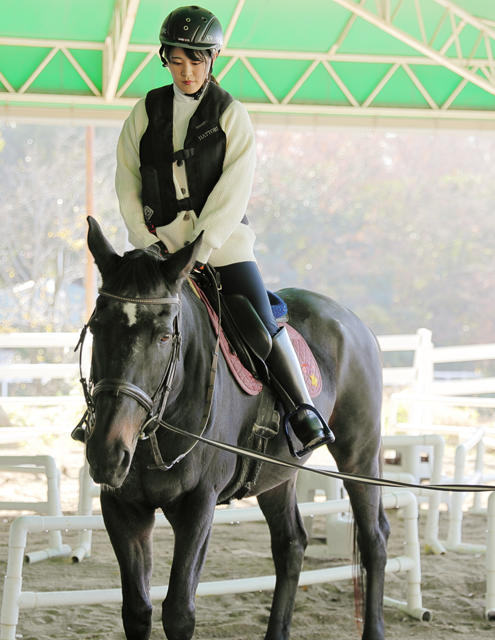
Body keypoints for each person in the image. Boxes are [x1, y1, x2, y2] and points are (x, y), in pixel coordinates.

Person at [114, 5, 333, 456]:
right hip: (159, 249)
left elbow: (234, 190)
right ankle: (105, 413)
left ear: (212, 60)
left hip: (224, 247)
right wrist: (143, 237)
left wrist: (204, 244)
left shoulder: (232, 114)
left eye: (196, 61)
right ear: (165, 59)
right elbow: (126, 179)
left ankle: (302, 409)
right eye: (177, 61)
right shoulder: (144, 112)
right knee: (124, 318)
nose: (186, 71)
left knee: (258, 320)